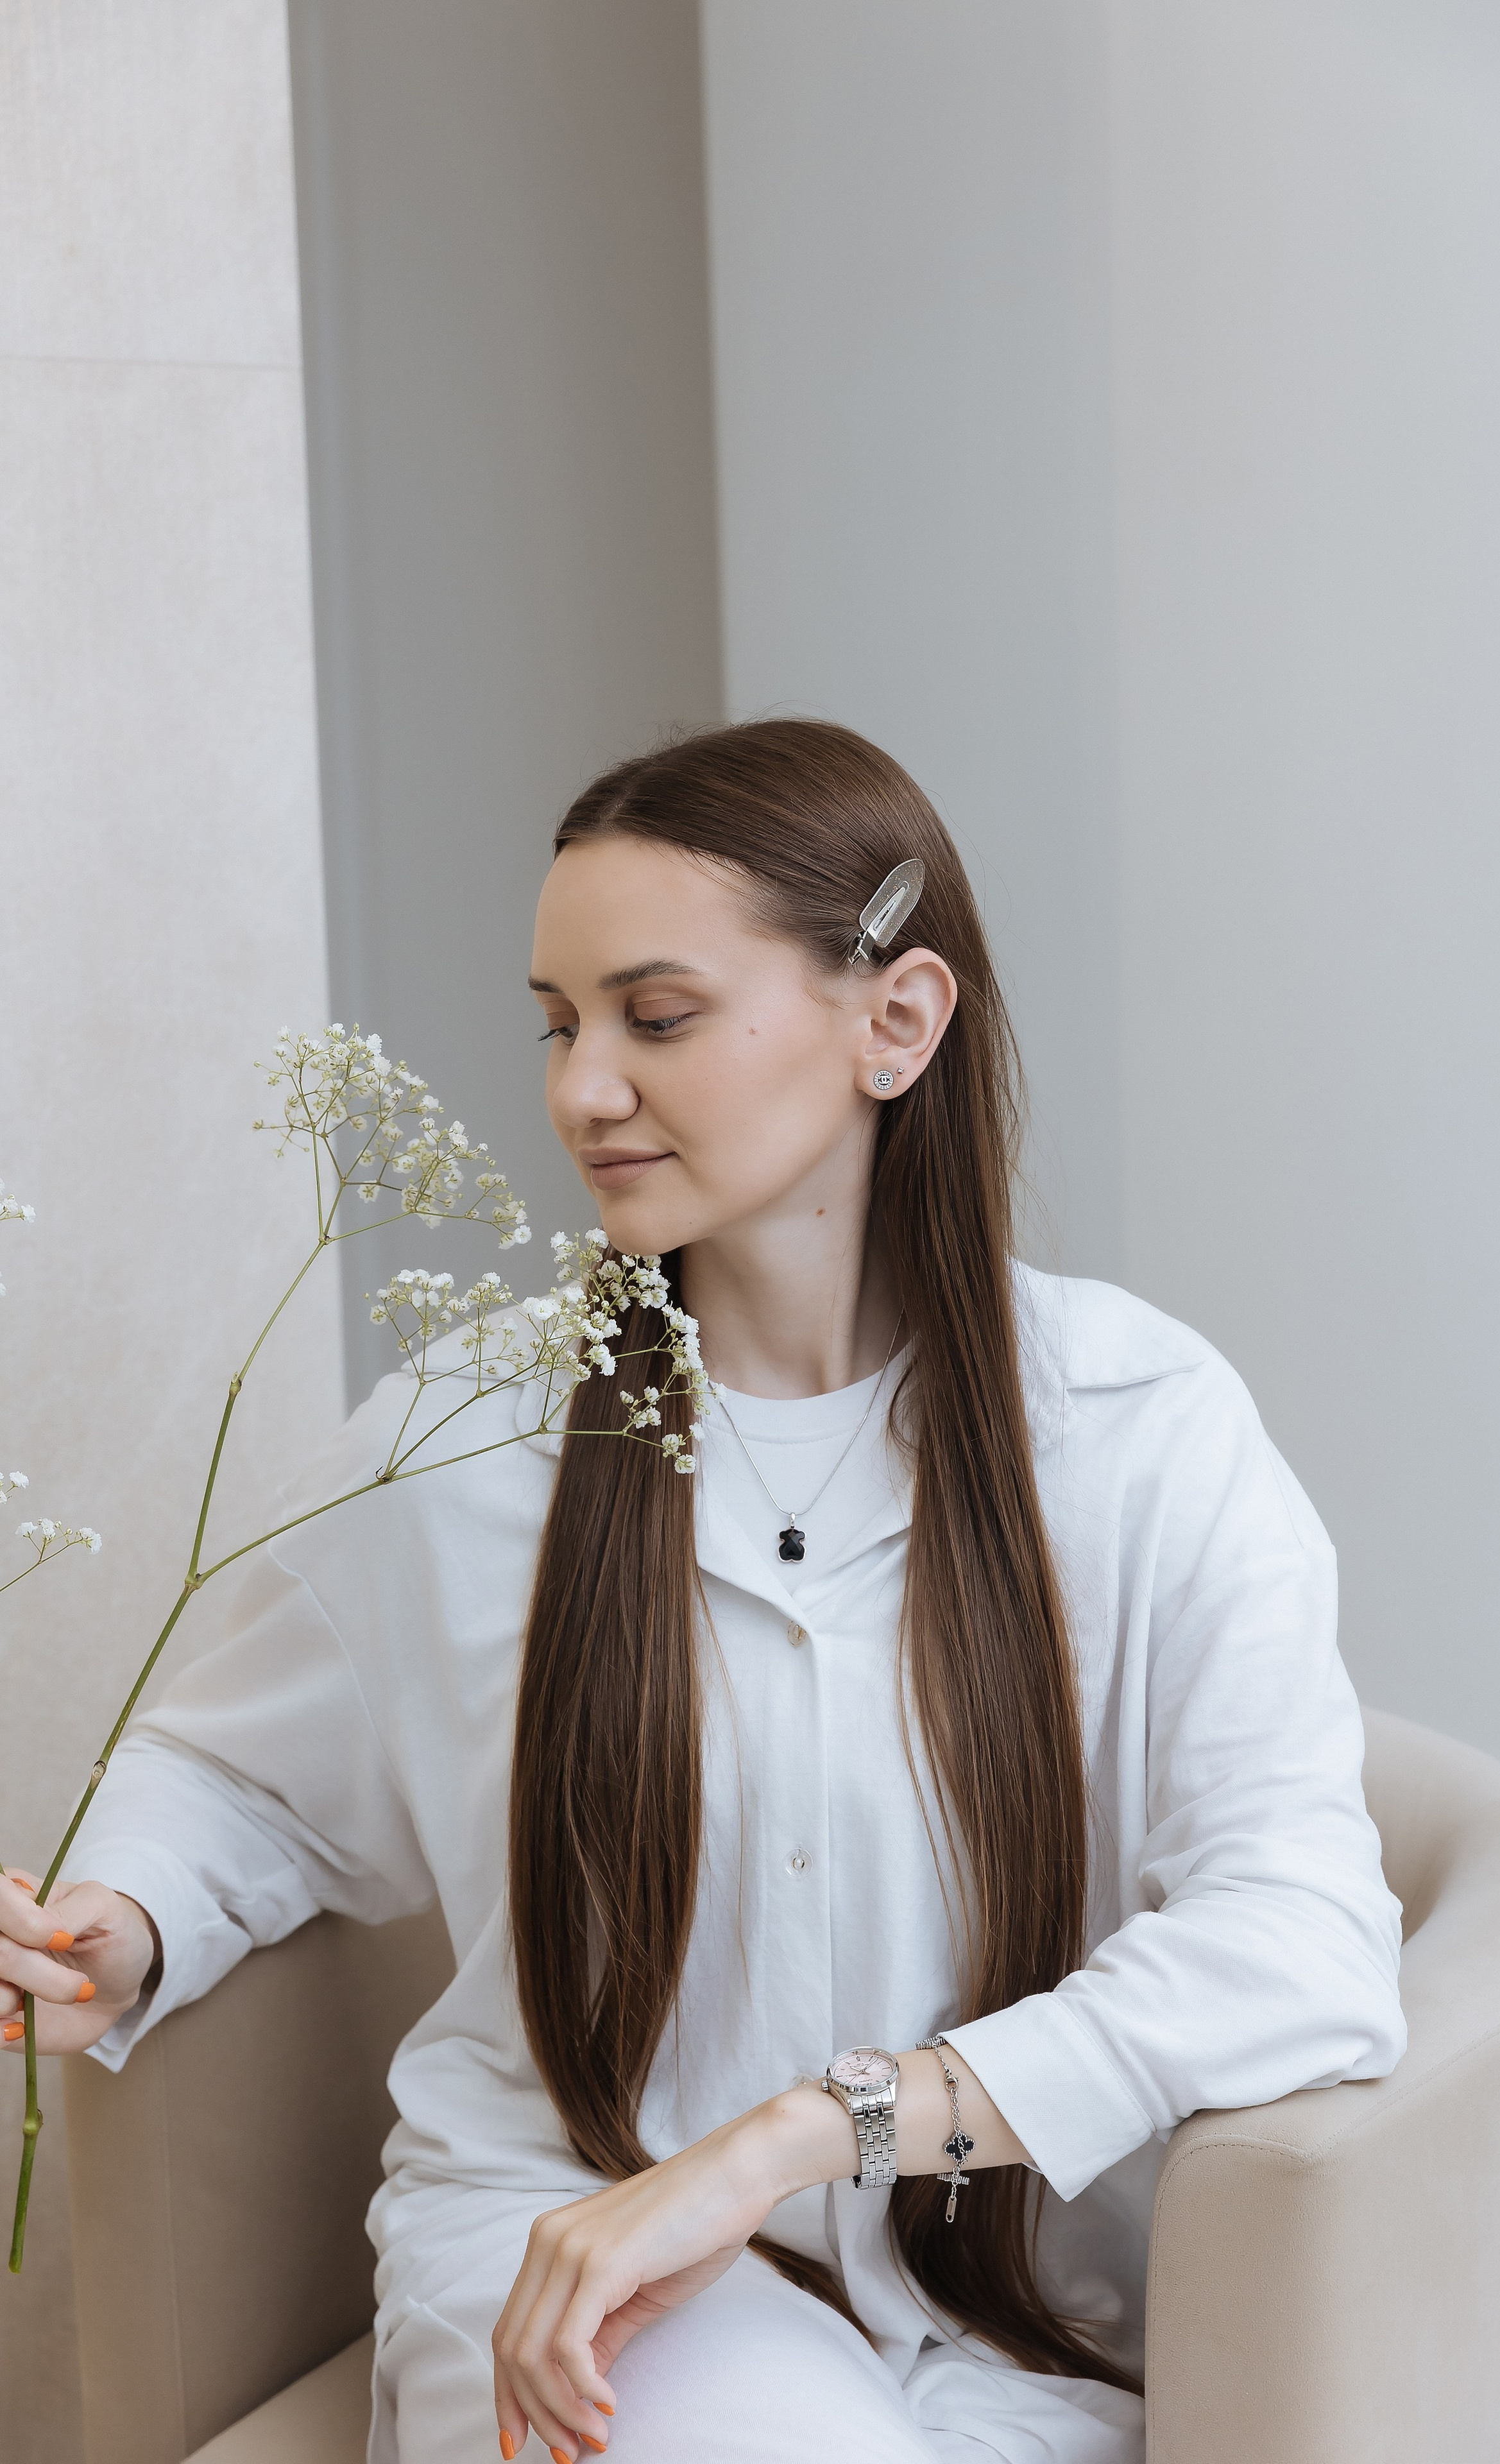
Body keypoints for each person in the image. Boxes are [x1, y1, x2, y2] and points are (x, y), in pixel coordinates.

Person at [0, 721, 1404, 2463]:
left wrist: (800, 2137)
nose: (582, 1090)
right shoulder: (467, 1436)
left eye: (655, 1019)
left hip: (1014, 2324)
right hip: (569, 2249)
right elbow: (239, 1776)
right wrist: (123, 1918)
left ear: (898, 1024)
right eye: (559, 1024)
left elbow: (1302, 1941)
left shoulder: (1139, 1429)